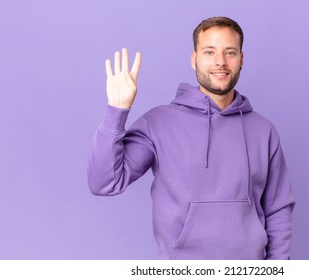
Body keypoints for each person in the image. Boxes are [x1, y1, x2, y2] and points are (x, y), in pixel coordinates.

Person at [87, 16, 295, 260]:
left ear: (241, 60)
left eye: (230, 52)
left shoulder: (263, 130)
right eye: (209, 52)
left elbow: (278, 209)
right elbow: (104, 183)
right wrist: (116, 111)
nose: (220, 62)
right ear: (194, 59)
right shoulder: (159, 123)